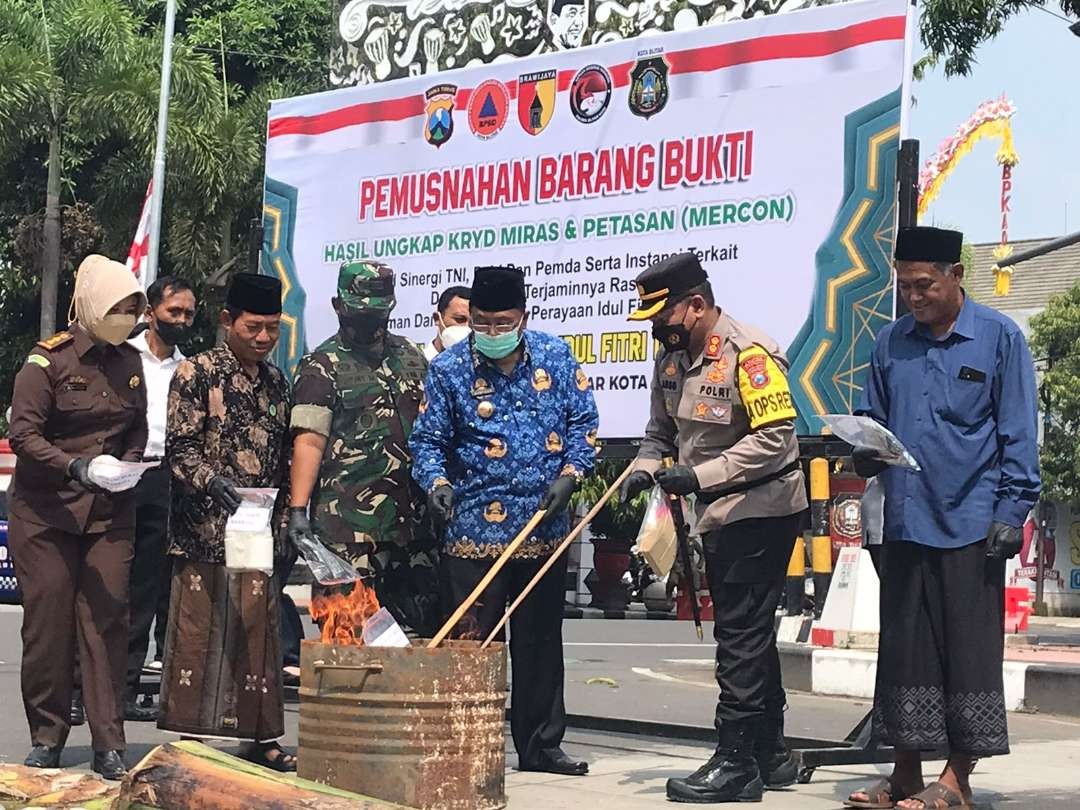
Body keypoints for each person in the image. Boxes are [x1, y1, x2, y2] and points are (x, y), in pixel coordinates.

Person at [845, 226, 1040, 810]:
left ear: (956, 276)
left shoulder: (1000, 340)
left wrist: (1012, 510)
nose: (913, 296)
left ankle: (956, 781)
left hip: (973, 524)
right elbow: (871, 418)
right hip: (904, 519)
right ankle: (905, 774)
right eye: (904, 286)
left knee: (967, 652)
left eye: (924, 284)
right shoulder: (889, 342)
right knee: (905, 651)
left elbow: (1019, 432)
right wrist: (862, 445)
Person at [620, 252, 808, 804]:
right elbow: (659, 434)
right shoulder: (671, 359)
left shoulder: (750, 354)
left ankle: (735, 763)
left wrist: (697, 476)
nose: (657, 329)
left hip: (762, 509)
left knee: (739, 637)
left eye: (663, 317)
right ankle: (770, 753)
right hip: (714, 511)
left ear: (696, 305)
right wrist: (642, 470)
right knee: (749, 631)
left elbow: (774, 439)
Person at [410, 265, 599, 776]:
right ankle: (469, 748)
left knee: (539, 640)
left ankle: (541, 746)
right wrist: (438, 485)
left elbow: (584, 423)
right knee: (472, 644)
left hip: (543, 527)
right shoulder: (449, 369)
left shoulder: (556, 357)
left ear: (524, 317)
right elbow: (427, 441)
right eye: (482, 323)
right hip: (473, 529)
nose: (492, 333)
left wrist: (572, 472)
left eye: (503, 322)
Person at [8, 254, 148, 780]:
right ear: (90, 305)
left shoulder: (129, 361)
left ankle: (109, 742)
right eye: (118, 306)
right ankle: (46, 735)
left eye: (133, 308)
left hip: (110, 512)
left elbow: (137, 426)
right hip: (46, 515)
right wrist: (78, 466)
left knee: (106, 623)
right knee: (48, 629)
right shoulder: (45, 363)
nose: (126, 316)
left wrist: (129, 464)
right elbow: (24, 436)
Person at [157, 273, 296, 772]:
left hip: (259, 536)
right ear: (227, 321)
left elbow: (283, 460)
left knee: (260, 639)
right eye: (253, 327)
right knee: (199, 637)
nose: (263, 338)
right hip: (204, 531)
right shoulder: (197, 374)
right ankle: (190, 742)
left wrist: (284, 525)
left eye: (273, 329)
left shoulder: (279, 383)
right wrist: (211, 482)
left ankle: (262, 738)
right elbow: (180, 448)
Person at [288, 261, 440, 637]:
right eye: (360, 312)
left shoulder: (411, 357)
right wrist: (297, 510)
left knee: (415, 640)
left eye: (377, 312)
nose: (369, 321)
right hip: (348, 531)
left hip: (412, 527)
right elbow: (309, 439)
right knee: (349, 639)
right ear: (339, 306)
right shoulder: (321, 366)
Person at [123, 275, 197, 721]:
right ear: (151, 313)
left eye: (189, 314)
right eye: (174, 313)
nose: (182, 321)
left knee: (161, 590)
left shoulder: (188, 368)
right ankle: (105, 686)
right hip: (125, 475)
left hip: (170, 477)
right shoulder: (121, 357)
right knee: (124, 588)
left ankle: (150, 687)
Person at [423, 285, 471, 362]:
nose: (467, 328)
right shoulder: (420, 365)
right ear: (437, 319)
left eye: (473, 323)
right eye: (460, 320)